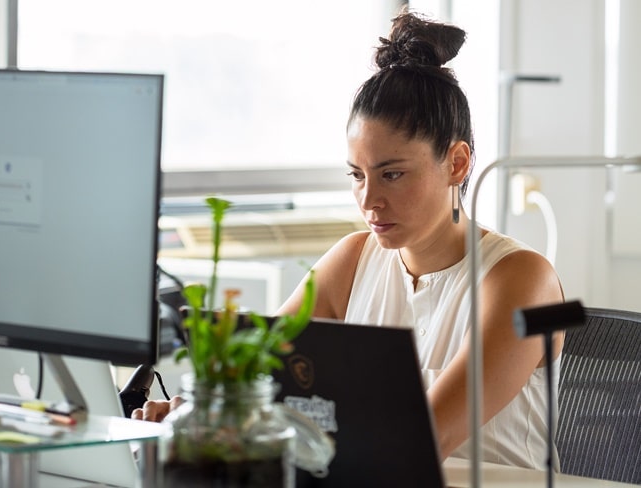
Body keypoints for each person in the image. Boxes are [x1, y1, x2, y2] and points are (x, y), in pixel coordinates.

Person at [134, 7, 564, 471]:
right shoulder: (352, 260)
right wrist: (199, 412)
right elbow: (252, 377)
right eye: (357, 175)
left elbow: (425, 439)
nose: (369, 200)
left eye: (392, 174)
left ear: (457, 163)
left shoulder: (521, 280)